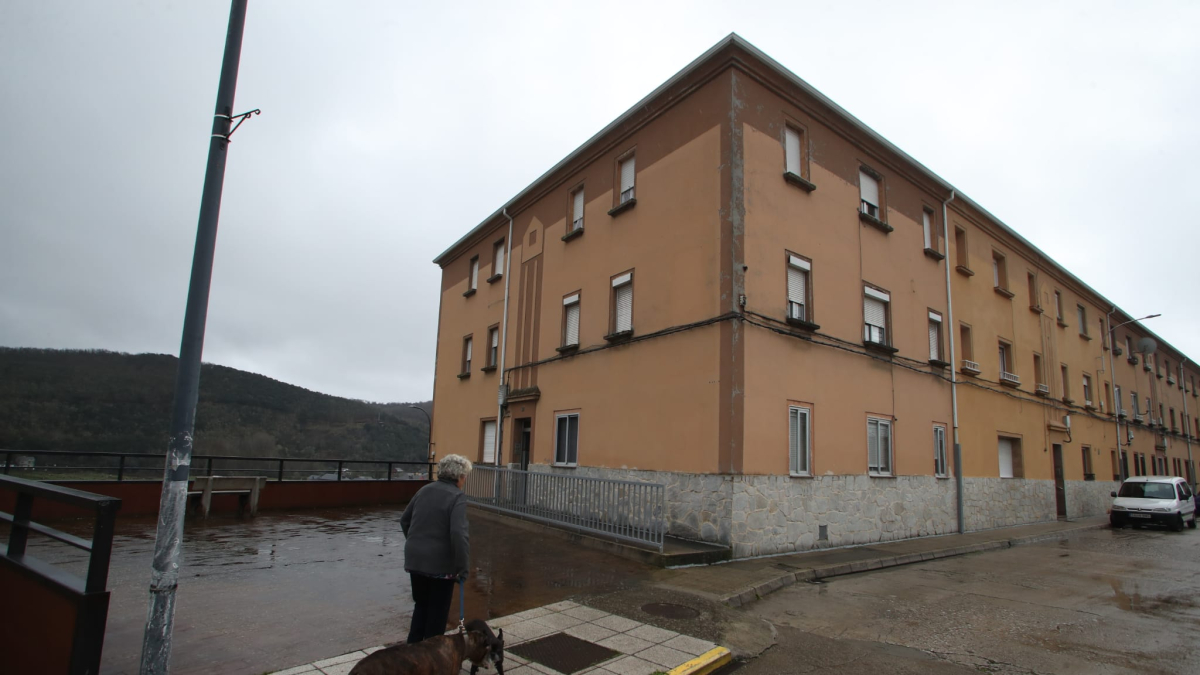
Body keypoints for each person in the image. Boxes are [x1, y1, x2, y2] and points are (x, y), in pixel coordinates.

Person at [400, 453, 472, 643]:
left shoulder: (424, 490)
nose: (464, 480)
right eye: (465, 476)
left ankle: (412, 651)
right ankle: (432, 654)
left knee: (421, 606)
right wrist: (462, 567)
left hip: (415, 560)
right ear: (459, 476)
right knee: (437, 613)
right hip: (441, 566)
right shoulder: (457, 496)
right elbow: (458, 534)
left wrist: (416, 543)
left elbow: (404, 520)